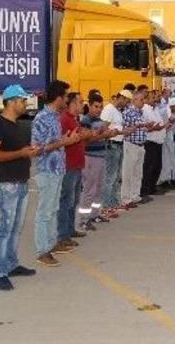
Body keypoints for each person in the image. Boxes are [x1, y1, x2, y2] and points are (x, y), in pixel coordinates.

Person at [0, 84, 41, 291]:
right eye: (23, 100)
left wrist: (31, 152)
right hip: (6, 185)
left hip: (21, 183)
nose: (26, 104)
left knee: (15, 228)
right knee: (3, 229)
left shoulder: (18, 125)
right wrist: (22, 154)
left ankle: (11, 264)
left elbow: (22, 151)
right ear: (11, 102)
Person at [31, 80, 81, 267]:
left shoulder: (54, 116)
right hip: (47, 171)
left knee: (53, 210)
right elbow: (37, 148)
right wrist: (63, 143)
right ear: (59, 98)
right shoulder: (42, 118)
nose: (67, 100)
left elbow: (55, 141)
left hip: (58, 169)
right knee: (45, 212)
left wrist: (64, 140)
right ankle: (42, 250)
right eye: (66, 96)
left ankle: (52, 243)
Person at [77, 93, 122, 233]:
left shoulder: (100, 121)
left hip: (101, 156)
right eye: (96, 106)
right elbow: (85, 140)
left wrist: (110, 133)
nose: (98, 109)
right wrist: (104, 135)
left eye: (100, 107)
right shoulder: (85, 120)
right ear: (89, 106)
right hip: (90, 157)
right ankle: (84, 219)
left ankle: (95, 214)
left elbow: (102, 135)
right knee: (89, 189)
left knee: (99, 188)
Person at [57, 92, 88, 254]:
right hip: (68, 166)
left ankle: (69, 231)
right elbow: (62, 141)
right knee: (65, 201)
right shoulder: (64, 119)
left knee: (73, 200)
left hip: (77, 164)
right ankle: (62, 235)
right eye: (80, 102)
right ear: (73, 104)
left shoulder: (74, 119)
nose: (83, 104)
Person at [120, 91, 149, 207]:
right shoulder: (128, 112)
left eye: (143, 99)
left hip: (140, 144)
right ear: (134, 100)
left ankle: (135, 195)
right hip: (131, 144)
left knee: (138, 172)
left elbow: (141, 126)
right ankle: (126, 198)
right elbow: (126, 128)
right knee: (128, 172)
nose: (143, 102)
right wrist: (141, 125)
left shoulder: (140, 112)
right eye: (141, 100)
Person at [100, 91, 126, 213]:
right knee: (110, 177)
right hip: (112, 145)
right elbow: (103, 127)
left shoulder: (117, 111)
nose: (127, 104)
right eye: (126, 101)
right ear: (121, 97)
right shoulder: (109, 109)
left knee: (116, 176)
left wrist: (123, 131)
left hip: (119, 144)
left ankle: (114, 202)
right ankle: (106, 206)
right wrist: (117, 132)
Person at [141, 91, 167, 197]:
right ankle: (145, 189)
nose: (155, 100)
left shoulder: (155, 109)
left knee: (157, 165)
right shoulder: (145, 109)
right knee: (148, 166)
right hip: (150, 141)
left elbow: (159, 123)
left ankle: (152, 187)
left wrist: (163, 125)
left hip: (158, 141)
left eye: (157, 97)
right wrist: (156, 127)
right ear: (146, 99)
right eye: (153, 97)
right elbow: (144, 127)